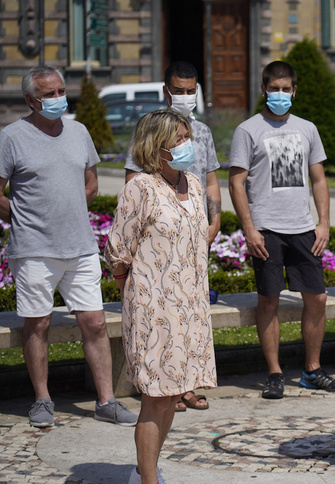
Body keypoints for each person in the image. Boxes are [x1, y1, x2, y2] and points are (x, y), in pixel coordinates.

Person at [0, 65, 137, 429]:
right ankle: (42, 399)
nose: (58, 98)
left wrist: (70, 209)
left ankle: (106, 400)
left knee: (93, 321)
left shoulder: (79, 131)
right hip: (32, 249)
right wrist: (24, 216)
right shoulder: (12, 137)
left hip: (79, 245)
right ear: (31, 99)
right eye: (49, 94)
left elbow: (90, 183)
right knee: (39, 323)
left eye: (61, 90)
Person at [105, 110, 217, 484]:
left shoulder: (195, 185)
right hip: (154, 310)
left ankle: (145, 469)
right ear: (157, 146)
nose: (187, 144)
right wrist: (138, 294)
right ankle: (149, 479)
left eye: (188, 137)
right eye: (178, 139)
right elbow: (118, 250)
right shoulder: (140, 187)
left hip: (190, 307)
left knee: (172, 396)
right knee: (156, 397)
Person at [228, 61, 335, 399]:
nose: (279, 94)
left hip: (301, 227)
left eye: (285, 89)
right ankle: (275, 373)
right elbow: (236, 183)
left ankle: (312, 369)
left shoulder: (307, 128)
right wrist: (249, 229)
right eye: (273, 88)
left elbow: (319, 178)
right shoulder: (248, 130)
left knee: (318, 297)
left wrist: (323, 222)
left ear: (294, 90)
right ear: (263, 90)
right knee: (269, 300)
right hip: (266, 229)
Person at [125, 61, 221, 411]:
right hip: (161, 240)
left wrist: (214, 219)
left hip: (192, 231)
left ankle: (187, 384)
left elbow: (211, 178)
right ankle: (166, 387)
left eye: (190, 90)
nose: (185, 96)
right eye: (178, 90)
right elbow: (131, 195)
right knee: (166, 322)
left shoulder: (204, 133)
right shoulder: (152, 130)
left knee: (191, 318)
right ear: (166, 90)